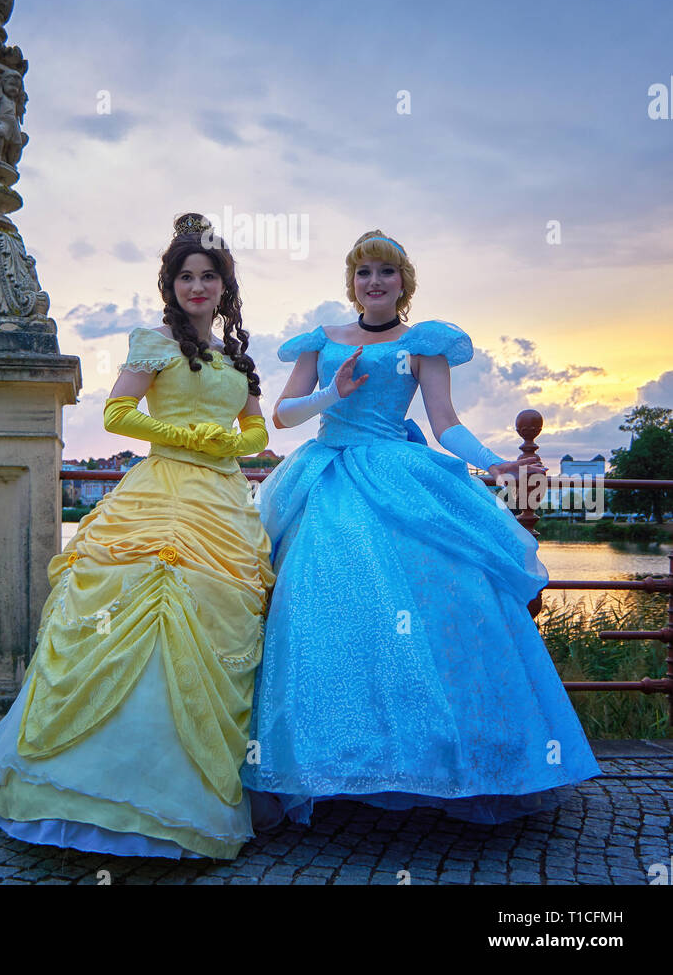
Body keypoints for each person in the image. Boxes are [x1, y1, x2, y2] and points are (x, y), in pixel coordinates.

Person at [241, 230, 601, 826]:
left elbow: (445, 424)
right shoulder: (321, 340)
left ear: (404, 282)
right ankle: (327, 762)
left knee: (444, 598)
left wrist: (496, 463)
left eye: (386, 272)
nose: (374, 282)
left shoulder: (424, 342)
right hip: (325, 477)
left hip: (397, 473)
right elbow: (282, 415)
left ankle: (434, 758)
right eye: (363, 273)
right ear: (351, 283)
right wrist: (334, 391)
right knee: (315, 606)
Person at [0, 213, 274, 859]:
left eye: (208, 276)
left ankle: (182, 797)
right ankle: (85, 794)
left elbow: (257, 433)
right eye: (186, 276)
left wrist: (231, 440)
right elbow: (115, 413)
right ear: (172, 285)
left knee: (211, 609)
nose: (197, 287)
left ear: (224, 286)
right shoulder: (155, 342)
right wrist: (183, 436)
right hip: (160, 493)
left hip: (221, 504)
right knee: (148, 587)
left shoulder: (238, 358)